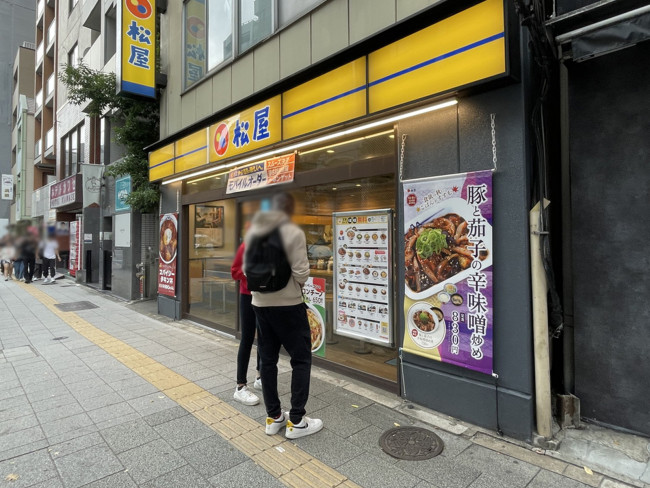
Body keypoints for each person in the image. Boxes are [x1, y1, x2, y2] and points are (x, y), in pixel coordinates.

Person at [245, 193, 323, 439]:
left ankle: (274, 417)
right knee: (300, 360)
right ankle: (297, 421)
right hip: (288, 306)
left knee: (267, 361)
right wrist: (296, 287)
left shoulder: (254, 231)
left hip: (259, 304)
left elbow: (247, 269)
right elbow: (301, 272)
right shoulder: (292, 232)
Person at [230, 241, 262, 405]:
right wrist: (248, 273)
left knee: (265, 337)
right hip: (248, 295)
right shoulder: (246, 246)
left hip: (267, 296)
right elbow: (234, 272)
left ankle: (260, 376)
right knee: (248, 338)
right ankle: (240, 386)